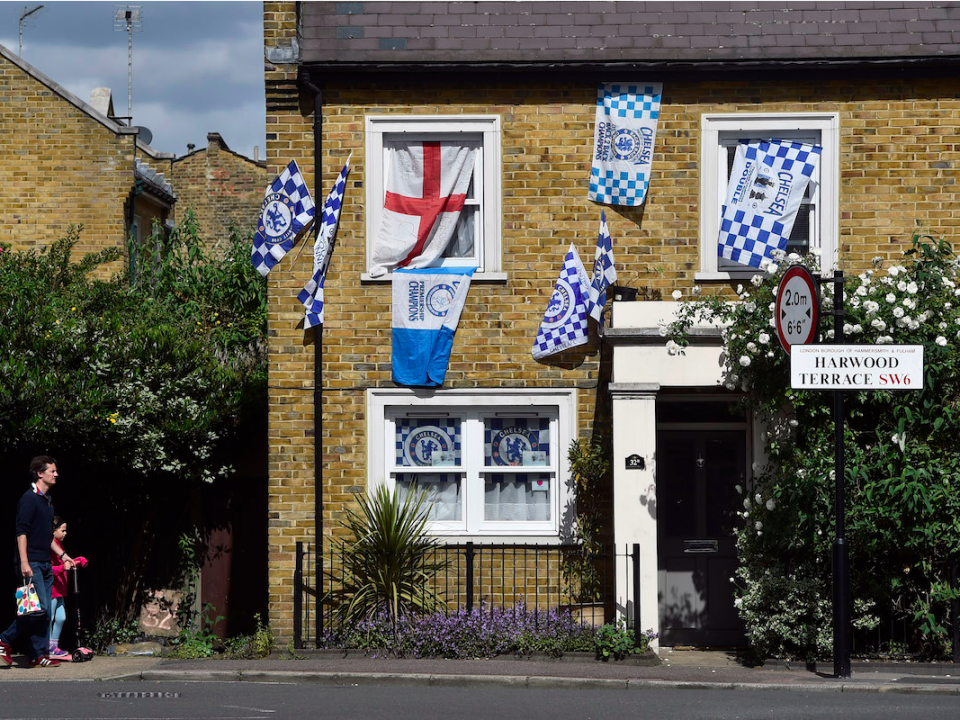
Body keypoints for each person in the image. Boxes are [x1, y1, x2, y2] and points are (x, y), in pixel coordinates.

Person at [0, 456, 71, 668]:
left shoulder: (47, 502)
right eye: (52, 471)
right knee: (36, 609)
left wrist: (62, 555)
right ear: (40, 473)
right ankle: (4, 639)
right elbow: (21, 532)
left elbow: (47, 536)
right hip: (31, 562)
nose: (56, 474)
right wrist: (24, 562)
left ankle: (37, 655)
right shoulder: (28, 499)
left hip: (45, 563)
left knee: (46, 611)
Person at [48, 517, 88, 659]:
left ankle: (53, 646)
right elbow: (48, 569)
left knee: (61, 618)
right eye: (62, 530)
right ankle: (46, 647)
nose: (65, 533)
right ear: (53, 530)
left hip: (60, 590)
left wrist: (78, 561)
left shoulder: (60, 547)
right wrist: (62, 568)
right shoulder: (49, 547)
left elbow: (66, 564)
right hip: (52, 589)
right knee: (50, 617)